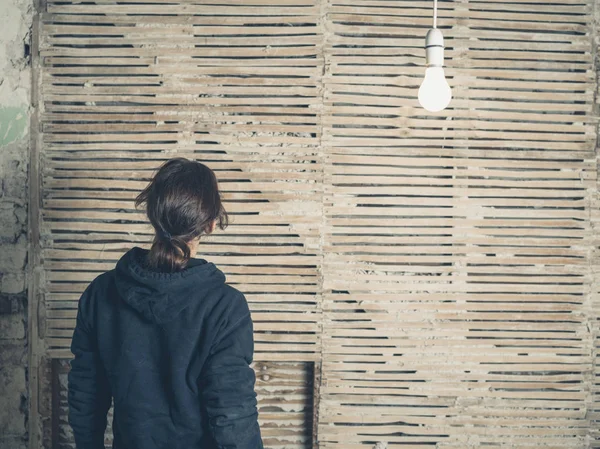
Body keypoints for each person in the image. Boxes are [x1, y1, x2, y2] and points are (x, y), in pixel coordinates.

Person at [67, 157, 264, 449]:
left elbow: (86, 399)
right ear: (210, 224)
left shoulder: (99, 294)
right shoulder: (226, 307)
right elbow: (233, 415)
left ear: (152, 215)